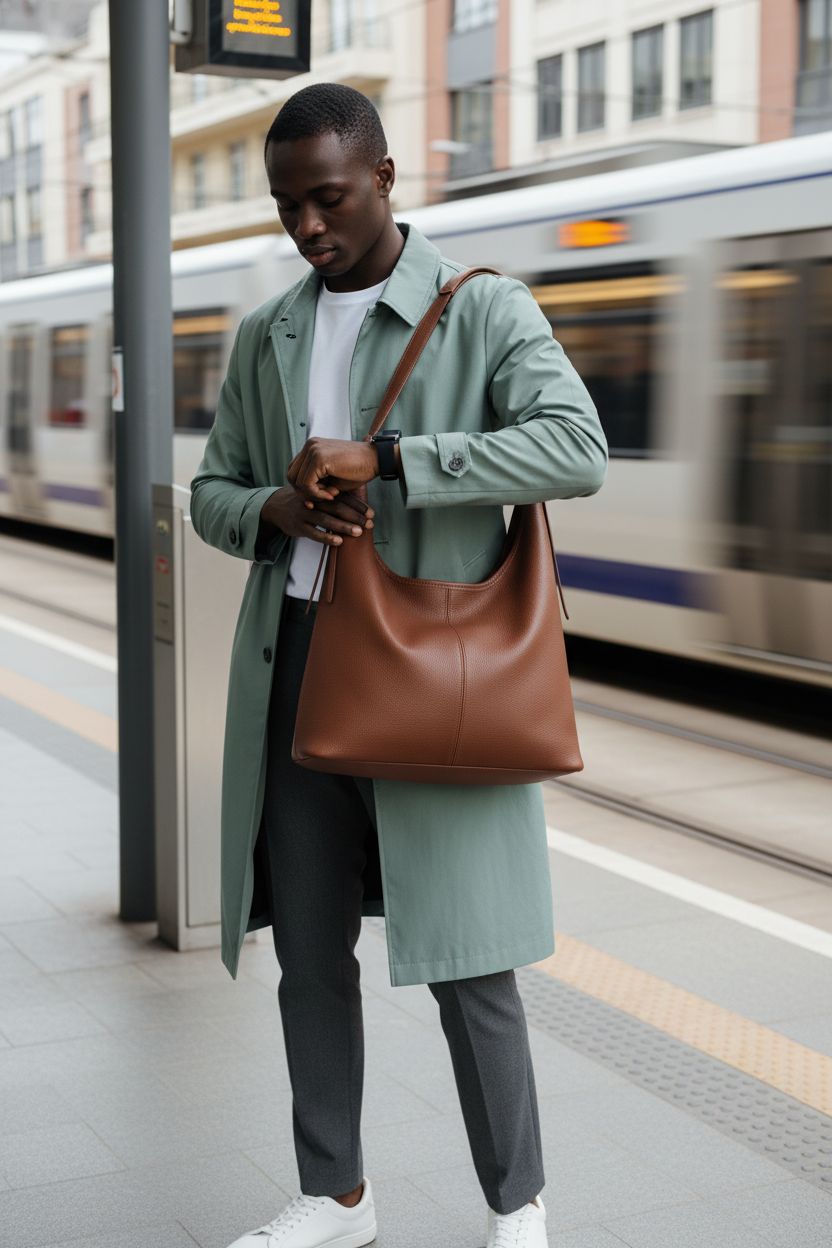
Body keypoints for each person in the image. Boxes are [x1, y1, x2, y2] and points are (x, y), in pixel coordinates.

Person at [190, 82, 607, 1248]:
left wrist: (388, 460)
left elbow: (575, 449)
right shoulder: (267, 331)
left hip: (440, 673)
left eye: (326, 197)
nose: (308, 226)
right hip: (300, 665)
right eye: (287, 207)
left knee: (472, 961)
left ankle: (517, 1208)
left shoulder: (484, 309)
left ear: (382, 177)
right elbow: (210, 491)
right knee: (308, 955)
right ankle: (336, 1197)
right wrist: (273, 505)